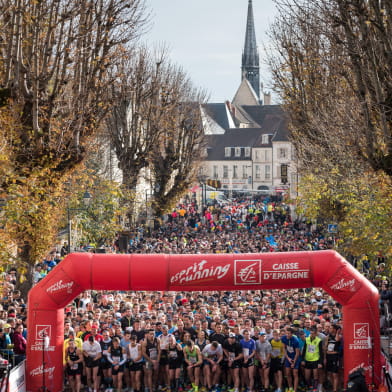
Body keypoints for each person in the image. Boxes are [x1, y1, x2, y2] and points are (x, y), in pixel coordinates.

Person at [302, 326, 323, 392]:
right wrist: (303, 359)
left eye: (313, 333)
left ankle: (315, 388)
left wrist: (320, 362)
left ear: (316, 333)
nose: (311, 335)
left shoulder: (319, 340)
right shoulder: (307, 339)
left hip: (315, 360)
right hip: (308, 359)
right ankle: (310, 386)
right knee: (307, 376)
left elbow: (321, 352)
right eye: (310, 333)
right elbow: (304, 350)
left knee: (315, 376)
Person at [324, 325, 342, 392]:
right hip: (328, 357)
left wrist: (337, 332)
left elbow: (337, 340)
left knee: (335, 374)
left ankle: (335, 389)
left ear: (335, 329)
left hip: (335, 357)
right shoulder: (328, 337)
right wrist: (325, 357)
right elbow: (326, 347)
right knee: (330, 373)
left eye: (331, 328)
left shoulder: (338, 336)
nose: (329, 329)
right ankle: (333, 387)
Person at [282, 328, 300, 392]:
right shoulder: (283, 338)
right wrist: (288, 358)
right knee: (288, 373)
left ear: (292, 334)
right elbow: (284, 348)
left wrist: (293, 362)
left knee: (295, 373)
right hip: (288, 357)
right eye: (286, 333)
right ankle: (290, 388)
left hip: (295, 357)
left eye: (288, 333)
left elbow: (297, 353)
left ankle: (295, 389)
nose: (287, 335)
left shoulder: (296, 341)